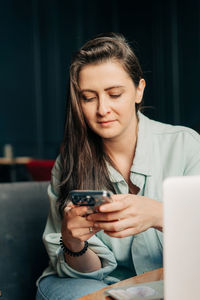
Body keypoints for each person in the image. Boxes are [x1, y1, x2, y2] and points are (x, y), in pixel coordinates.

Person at [36, 32, 200, 300]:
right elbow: (86, 272)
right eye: (89, 97)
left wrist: (162, 215)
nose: (103, 109)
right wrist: (74, 242)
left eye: (114, 94)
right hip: (98, 284)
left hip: (170, 280)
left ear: (139, 90)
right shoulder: (68, 163)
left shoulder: (186, 146)